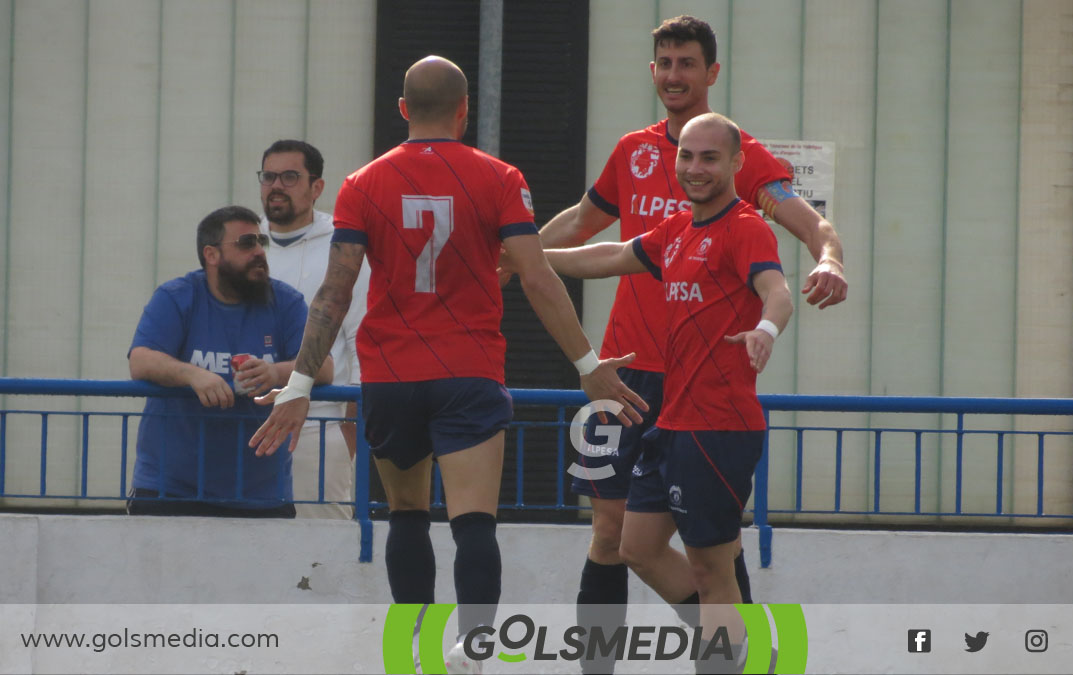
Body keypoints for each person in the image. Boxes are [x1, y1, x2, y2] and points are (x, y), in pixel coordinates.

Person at [248, 56, 647, 671]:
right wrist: (587, 363)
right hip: (468, 369)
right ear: (464, 111)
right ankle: (475, 646)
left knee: (406, 515)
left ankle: (413, 650)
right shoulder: (499, 178)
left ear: (403, 110)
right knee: (474, 521)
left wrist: (299, 383)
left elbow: (335, 290)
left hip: (391, 373)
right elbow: (537, 275)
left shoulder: (361, 184)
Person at [534, 15, 846, 669]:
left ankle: (735, 652)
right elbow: (587, 230)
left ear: (711, 73)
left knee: (714, 548)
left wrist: (830, 258)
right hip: (619, 373)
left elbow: (807, 224)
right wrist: (519, 252)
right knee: (611, 534)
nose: (675, 75)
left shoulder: (741, 163)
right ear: (653, 73)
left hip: (696, 383)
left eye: (687, 64)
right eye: (665, 64)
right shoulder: (634, 152)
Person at [530, 112, 793, 672]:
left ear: (736, 164)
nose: (695, 168)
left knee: (712, 572)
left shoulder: (746, 227)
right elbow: (607, 256)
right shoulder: (677, 229)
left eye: (710, 158)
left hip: (718, 427)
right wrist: (527, 258)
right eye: (687, 157)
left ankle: (731, 655)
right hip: (671, 423)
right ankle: (744, 651)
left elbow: (778, 291)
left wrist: (765, 331)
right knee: (636, 547)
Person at [127, 205, 332, 518]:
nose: (259, 252)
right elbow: (140, 360)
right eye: (246, 243)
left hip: (261, 493)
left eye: (261, 242)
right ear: (211, 255)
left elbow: (325, 367)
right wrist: (193, 375)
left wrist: (275, 372)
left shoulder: (286, 302)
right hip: (171, 488)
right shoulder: (176, 297)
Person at [258, 139, 370, 519]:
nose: (276, 186)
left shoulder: (344, 244)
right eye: (269, 176)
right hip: (245, 422)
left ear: (317, 187)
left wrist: (348, 432)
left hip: (318, 423)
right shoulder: (246, 245)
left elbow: (360, 340)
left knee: (321, 553)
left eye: (290, 177)